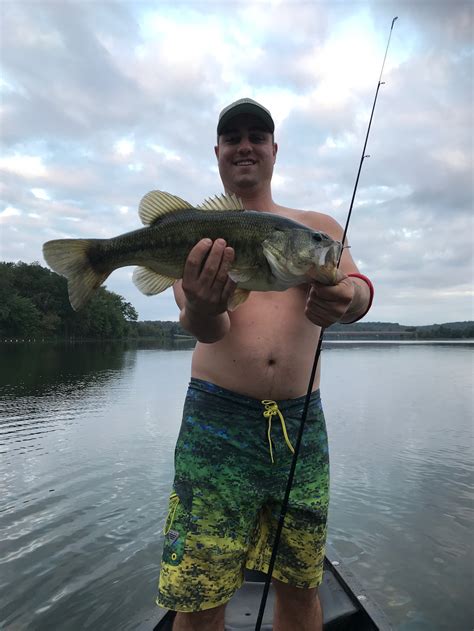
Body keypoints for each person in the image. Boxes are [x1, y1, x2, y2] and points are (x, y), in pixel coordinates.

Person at [156, 98, 373, 631]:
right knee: (200, 593)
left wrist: (346, 294)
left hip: (300, 425)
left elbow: (362, 292)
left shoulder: (314, 229)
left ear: (275, 149)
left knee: (301, 584)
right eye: (233, 138)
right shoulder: (198, 238)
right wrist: (205, 306)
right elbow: (205, 328)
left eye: (258, 135)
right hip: (216, 425)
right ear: (218, 153)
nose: (245, 145)